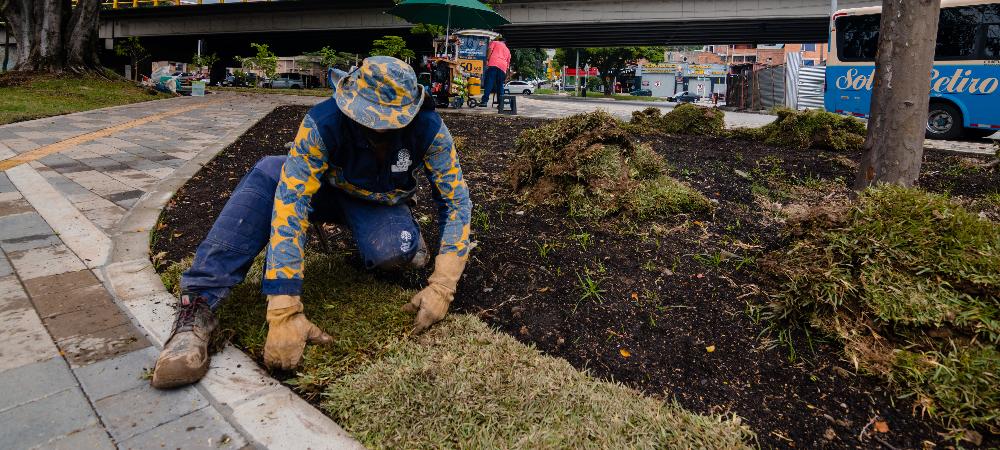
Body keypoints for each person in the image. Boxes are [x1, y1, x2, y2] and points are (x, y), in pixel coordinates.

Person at [150, 56, 472, 389]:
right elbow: (291, 205)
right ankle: (199, 305)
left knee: (396, 252)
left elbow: (456, 201)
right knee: (270, 174)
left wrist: (443, 286)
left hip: (377, 200)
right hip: (320, 189)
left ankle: (405, 238)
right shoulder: (323, 121)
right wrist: (284, 309)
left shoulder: (430, 128)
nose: (377, 127)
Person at [479, 36, 511, 107]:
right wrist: (507, 74)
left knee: (489, 83)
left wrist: (487, 59)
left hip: (494, 64)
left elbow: (490, 50)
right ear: (504, 42)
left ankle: (484, 102)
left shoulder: (495, 42)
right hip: (503, 67)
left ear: (499, 40)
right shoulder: (508, 50)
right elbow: (508, 64)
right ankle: (501, 103)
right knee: (500, 85)